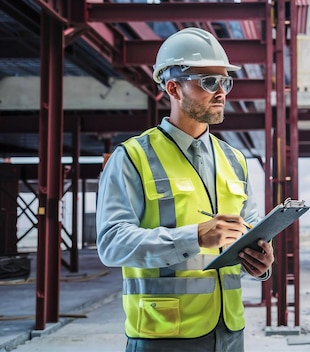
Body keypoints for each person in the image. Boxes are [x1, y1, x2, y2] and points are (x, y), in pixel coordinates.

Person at [96, 27, 274, 352]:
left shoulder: (235, 161)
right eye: (208, 82)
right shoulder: (133, 158)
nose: (221, 91)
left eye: (225, 82)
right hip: (164, 333)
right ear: (174, 88)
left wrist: (259, 263)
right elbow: (111, 244)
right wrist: (194, 237)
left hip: (230, 330)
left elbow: (249, 231)